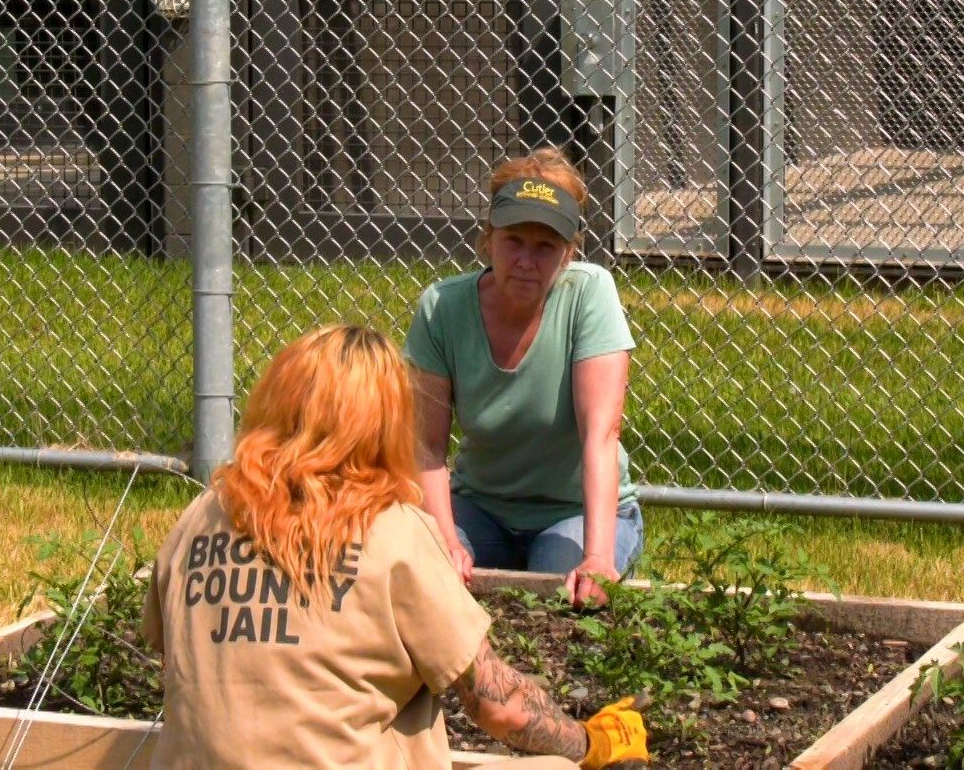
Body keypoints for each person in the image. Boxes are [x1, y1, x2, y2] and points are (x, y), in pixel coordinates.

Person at [142, 324, 649, 769]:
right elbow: (495, 702)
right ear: (384, 422)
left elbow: (167, 647)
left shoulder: (203, 515)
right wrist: (590, 742)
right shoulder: (394, 532)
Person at [404, 148, 640, 606]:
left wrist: (595, 557)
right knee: (428, 580)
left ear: (569, 251)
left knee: (561, 593)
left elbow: (601, 435)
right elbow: (426, 449)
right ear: (488, 238)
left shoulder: (590, 293)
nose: (526, 260)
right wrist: (445, 544)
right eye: (514, 241)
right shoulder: (441, 306)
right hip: (480, 507)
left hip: (574, 512)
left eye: (545, 246)